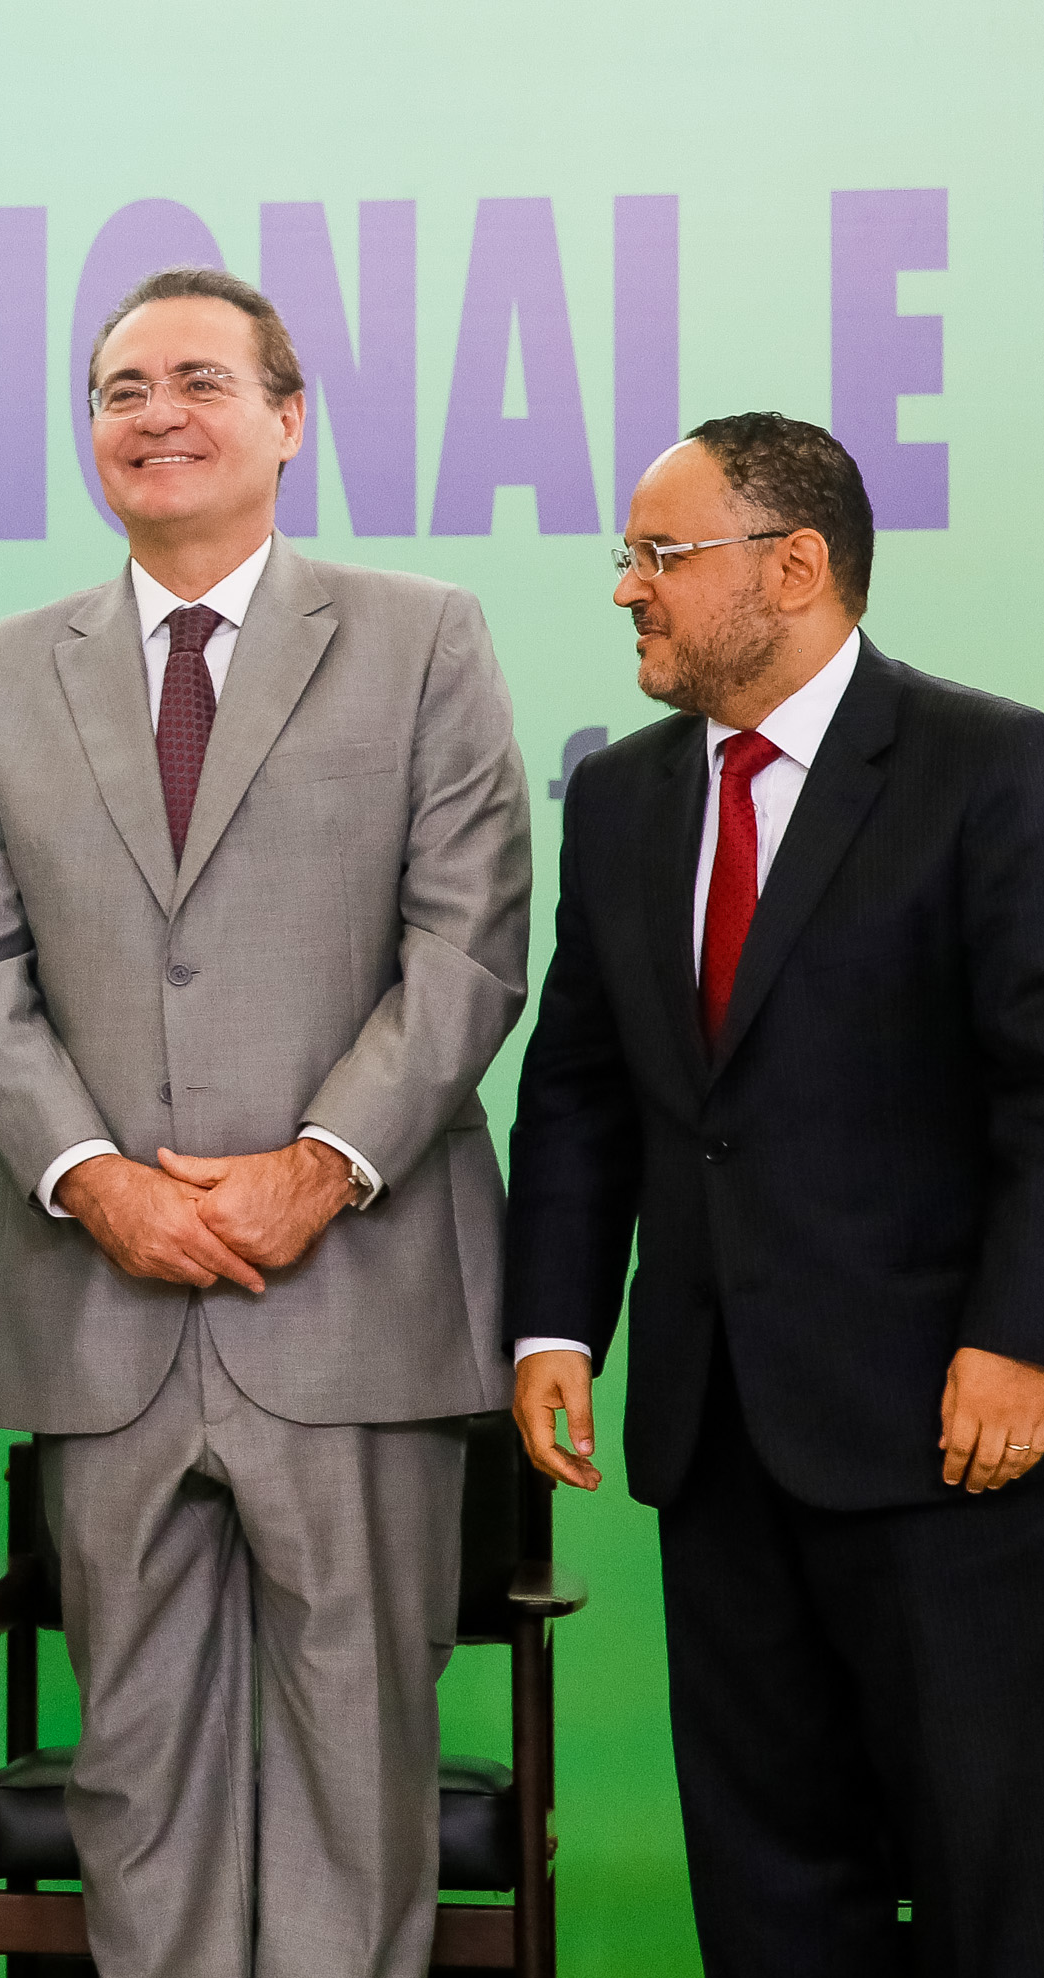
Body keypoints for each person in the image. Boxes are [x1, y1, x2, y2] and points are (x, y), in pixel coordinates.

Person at [0, 267, 531, 1978]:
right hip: (98, 1302)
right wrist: (95, 1181)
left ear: (286, 418)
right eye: (119, 388)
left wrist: (316, 1168)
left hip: (352, 1302)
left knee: (356, 1764)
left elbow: (469, 940)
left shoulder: (421, 635)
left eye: (196, 378)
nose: (156, 413)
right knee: (135, 1773)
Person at [505, 413, 1044, 1975]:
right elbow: (582, 1086)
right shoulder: (618, 799)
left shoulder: (989, 767)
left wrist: (1017, 1339)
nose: (626, 590)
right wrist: (553, 1321)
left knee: (984, 1872)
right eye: (628, 558)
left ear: (794, 567)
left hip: (946, 1436)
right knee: (763, 1885)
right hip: (713, 1431)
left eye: (657, 557)